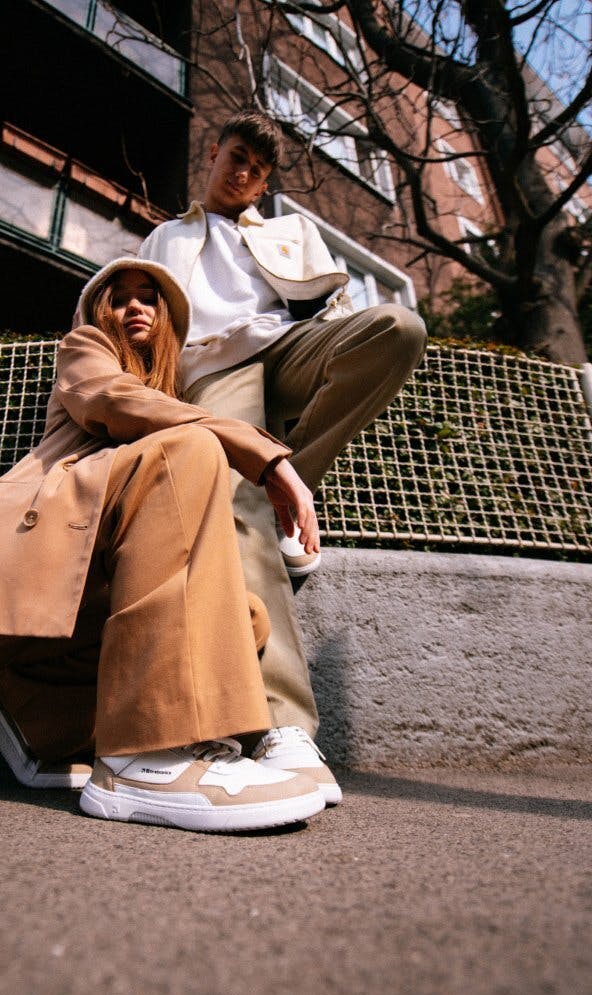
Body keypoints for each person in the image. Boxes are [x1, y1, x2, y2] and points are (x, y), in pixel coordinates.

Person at [0, 257, 328, 832]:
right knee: (189, 448)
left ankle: (33, 713)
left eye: (149, 298)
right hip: (28, 569)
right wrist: (260, 454)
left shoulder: (172, 398)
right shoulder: (85, 348)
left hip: (85, 592)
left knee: (246, 620)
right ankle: (146, 754)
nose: (135, 306)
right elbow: (111, 400)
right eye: (120, 298)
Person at [140, 110, 428, 801]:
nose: (244, 174)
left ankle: (288, 491)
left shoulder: (289, 232)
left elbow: (336, 305)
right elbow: (133, 316)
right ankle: (284, 725)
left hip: (292, 346)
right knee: (238, 501)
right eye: (237, 157)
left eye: (258, 170)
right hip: (217, 365)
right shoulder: (168, 235)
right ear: (213, 153)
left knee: (398, 327)